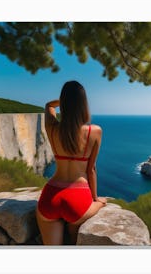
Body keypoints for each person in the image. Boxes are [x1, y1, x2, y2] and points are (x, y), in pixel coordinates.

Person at [36, 81, 107, 245]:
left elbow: (49, 106)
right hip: (78, 199)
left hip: (50, 197)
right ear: (83, 104)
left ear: (64, 103)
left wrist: (65, 101)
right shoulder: (94, 131)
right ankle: (72, 229)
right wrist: (96, 200)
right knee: (101, 204)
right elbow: (91, 171)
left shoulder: (52, 128)